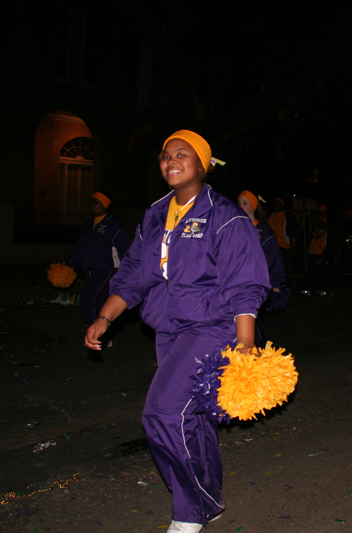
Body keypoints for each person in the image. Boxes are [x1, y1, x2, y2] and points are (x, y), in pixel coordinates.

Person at [84, 131, 269, 533]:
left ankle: (190, 510)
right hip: (167, 330)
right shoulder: (155, 214)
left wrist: (246, 344)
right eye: (166, 155)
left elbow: (245, 283)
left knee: (163, 413)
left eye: (182, 155)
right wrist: (105, 317)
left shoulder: (225, 216)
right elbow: (133, 273)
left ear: (202, 166)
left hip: (211, 328)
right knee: (193, 419)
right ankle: (211, 499)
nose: (171, 161)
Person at [65, 191, 130, 359]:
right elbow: (80, 247)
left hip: (108, 268)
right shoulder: (88, 225)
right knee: (101, 302)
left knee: (87, 298)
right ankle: (104, 336)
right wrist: (68, 265)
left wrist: (127, 271)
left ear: (105, 205)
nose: (93, 206)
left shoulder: (113, 224)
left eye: (96, 202)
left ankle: (95, 333)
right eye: (91, 202)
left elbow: (125, 248)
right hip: (90, 269)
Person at [238, 190, 287, 344]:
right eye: (238, 202)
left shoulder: (263, 232)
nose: (240, 206)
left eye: (245, 203)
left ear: (253, 206)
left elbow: (272, 257)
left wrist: (275, 282)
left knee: (252, 324)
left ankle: (261, 358)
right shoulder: (233, 228)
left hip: (255, 285)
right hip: (235, 284)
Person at [303, 216, 330, 296]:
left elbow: (328, 245)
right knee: (311, 273)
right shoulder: (315, 232)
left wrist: (325, 256)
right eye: (319, 222)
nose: (320, 224)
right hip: (313, 255)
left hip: (322, 255)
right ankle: (308, 289)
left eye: (322, 222)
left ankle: (323, 289)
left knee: (322, 274)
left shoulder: (326, 233)